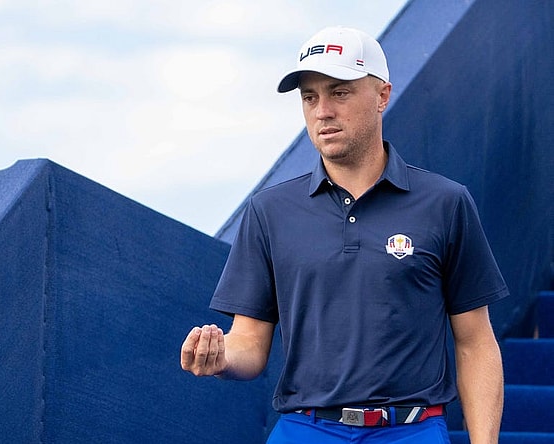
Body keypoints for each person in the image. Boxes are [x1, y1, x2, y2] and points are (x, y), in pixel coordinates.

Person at [180, 26, 507, 444]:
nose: (322, 111)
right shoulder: (269, 211)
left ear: (382, 96)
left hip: (411, 430)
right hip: (305, 428)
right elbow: (250, 343)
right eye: (309, 97)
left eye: (339, 93)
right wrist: (221, 355)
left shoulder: (445, 203)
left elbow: (475, 342)